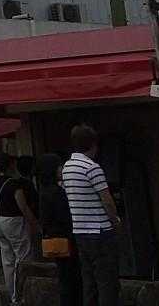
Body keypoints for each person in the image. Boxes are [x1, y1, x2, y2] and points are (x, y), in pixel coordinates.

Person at [62, 124, 123, 306]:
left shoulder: (67, 167)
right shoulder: (92, 168)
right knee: (107, 281)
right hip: (100, 231)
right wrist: (116, 221)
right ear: (94, 144)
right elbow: (107, 200)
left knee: (89, 280)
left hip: (80, 231)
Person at [0, 154, 38, 306]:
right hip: (14, 221)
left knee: (7, 261)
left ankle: (13, 296)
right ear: (11, 165)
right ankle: (21, 295)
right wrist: (34, 223)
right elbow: (23, 206)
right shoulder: (14, 184)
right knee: (24, 257)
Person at [36, 152, 81, 306]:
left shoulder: (44, 190)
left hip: (55, 240)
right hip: (66, 240)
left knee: (65, 278)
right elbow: (65, 217)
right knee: (71, 279)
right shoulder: (56, 192)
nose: (62, 169)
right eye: (59, 167)